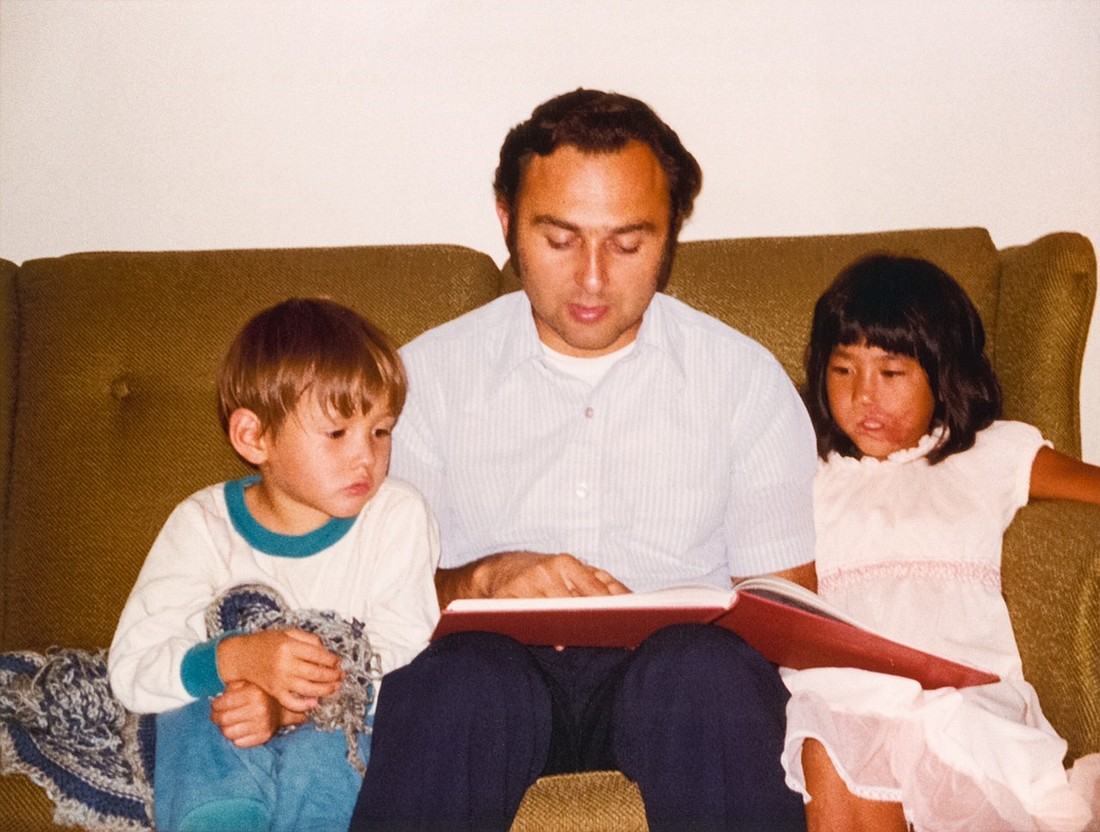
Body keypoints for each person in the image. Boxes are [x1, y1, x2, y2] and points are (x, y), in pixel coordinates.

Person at [348, 89, 817, 832]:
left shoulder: (741, 380)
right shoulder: (424, 379)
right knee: (455, 683)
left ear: (669, 237)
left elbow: (788, 612)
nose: (593, 279)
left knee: (708, 673)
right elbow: (368, 597)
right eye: (560, 240)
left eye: (628, 243)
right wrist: (480, 579)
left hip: (676, 685)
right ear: (507, 221)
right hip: (488, 677)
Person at [782, 254, 1100, 831]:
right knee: (829, 737)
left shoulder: (990, 454)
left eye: (892, 374)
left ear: (944, 375)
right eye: (843, 370)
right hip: (845, 697)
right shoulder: (808, 474)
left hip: (964, 700)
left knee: (897, 735)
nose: (863, 396)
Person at [108, 298, 441, 832]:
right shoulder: (202, 524)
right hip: (228, 728)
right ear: (254, 437)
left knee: (344, 742)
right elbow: (133, 666)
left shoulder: (397, 515)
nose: (366, 457)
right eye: (337, 433)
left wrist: (292, 707)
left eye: (381, 431)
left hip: (342, 729)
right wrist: (235, 661)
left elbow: (405, 658)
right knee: (194, 709)